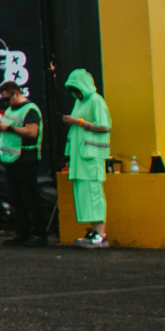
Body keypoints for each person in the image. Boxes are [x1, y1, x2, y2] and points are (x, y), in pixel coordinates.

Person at [62, 68, 111, 248]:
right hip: (80, 158)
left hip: (91, 158)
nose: (75, 94)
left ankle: (100, 233)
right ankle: (93, 231)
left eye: (76, 89)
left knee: (94, 193)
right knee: (84, 195)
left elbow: (104, 126)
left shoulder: (96, 101)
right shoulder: (80, 102)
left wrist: (78, 121)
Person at [0, 79, 46, 246]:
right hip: (11, 159)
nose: (5, 103)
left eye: (6, 99)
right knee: (17, 198)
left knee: (31, 197)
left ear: (16, 93)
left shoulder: (30, 110)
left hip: (26, 158)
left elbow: (32, 132)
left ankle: (39, 235)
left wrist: (9, 128)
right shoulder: (10, 110)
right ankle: (22, 233)